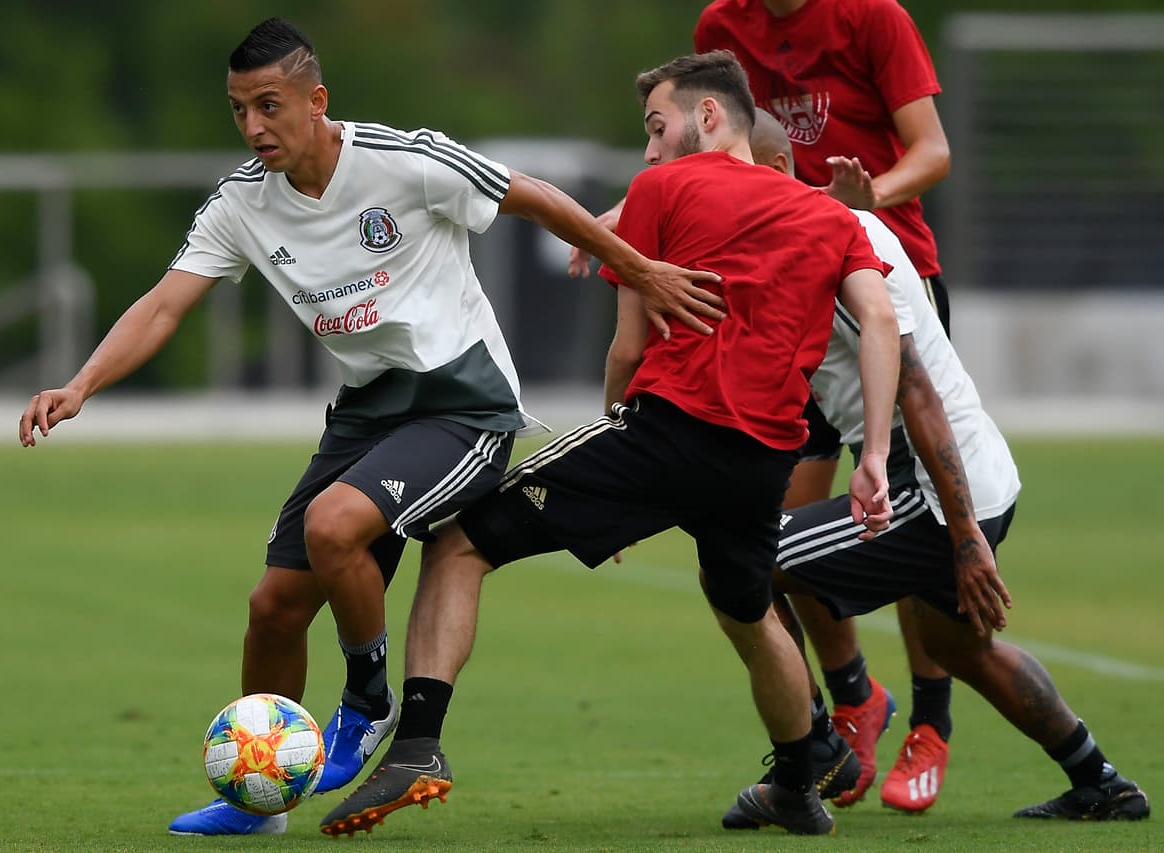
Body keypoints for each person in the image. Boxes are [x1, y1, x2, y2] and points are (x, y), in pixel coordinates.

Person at [16, 17, 727, 838]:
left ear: (316, 100)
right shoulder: (243, 201)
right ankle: (264, 800)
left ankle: (366, 697)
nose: (253, 127)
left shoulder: (405, 158)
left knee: (332, 525)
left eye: (270, 105)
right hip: (366, 413)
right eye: (239, 110)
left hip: (464, 405)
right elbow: (165, 302)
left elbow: (533, 196)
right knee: (273, 607)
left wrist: (637, 267)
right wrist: (81, 383)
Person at [317, 49, 901, 838]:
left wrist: (614, 462)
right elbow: (881, 321)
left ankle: (418, 742)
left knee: (458, 541)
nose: (651, 151)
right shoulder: (832, 218)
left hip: (664, 436)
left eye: (657, 128)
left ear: (708, 115)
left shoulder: (663, 190)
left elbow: (628, 348)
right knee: (748, 607)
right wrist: (870, 458)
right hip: (762, 460)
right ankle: (800, 781)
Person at [714, 113, 1149, 827]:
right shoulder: (830, 225)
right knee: (958, 645)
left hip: (938, 484)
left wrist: (965, 534)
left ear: (771, 168)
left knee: (744, 563)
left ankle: (816, 747)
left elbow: (914, 387)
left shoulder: (825, 244)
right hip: (976, 468)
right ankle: (1099, 779)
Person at [574, 0, 958, 810]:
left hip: (875, 263)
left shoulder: (873, 18)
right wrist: (615, 224)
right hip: (772, 291)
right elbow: (692, 149)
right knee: (772, 535)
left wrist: (851, 206)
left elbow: (934, 152)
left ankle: (932, 719)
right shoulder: (723, 22)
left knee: (908, 506)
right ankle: (850, 701)